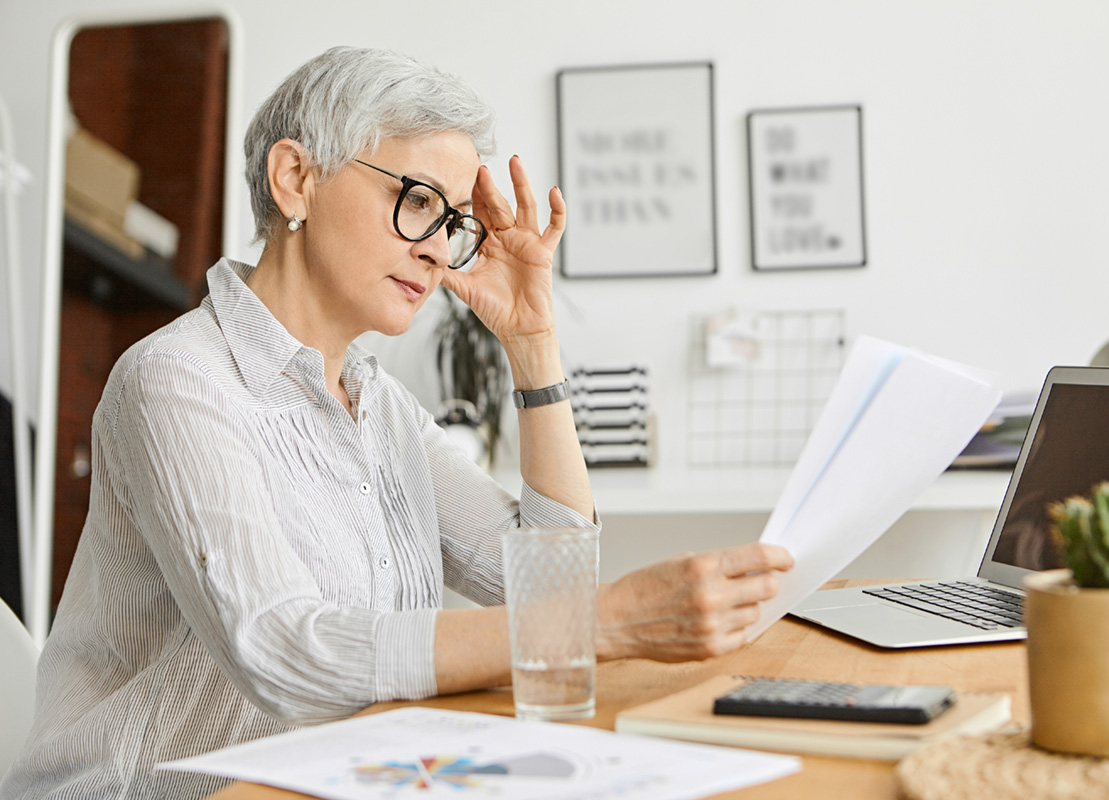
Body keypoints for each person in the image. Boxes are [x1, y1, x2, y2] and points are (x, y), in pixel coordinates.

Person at [0, 46, 793, 799]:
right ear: (295, 178)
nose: (440, 253)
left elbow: (556, 584)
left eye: (451, 220)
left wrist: (532, 343)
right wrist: (606, 623)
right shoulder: (177, 380)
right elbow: (282, 652)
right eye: (416, 202)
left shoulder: (381, 410)